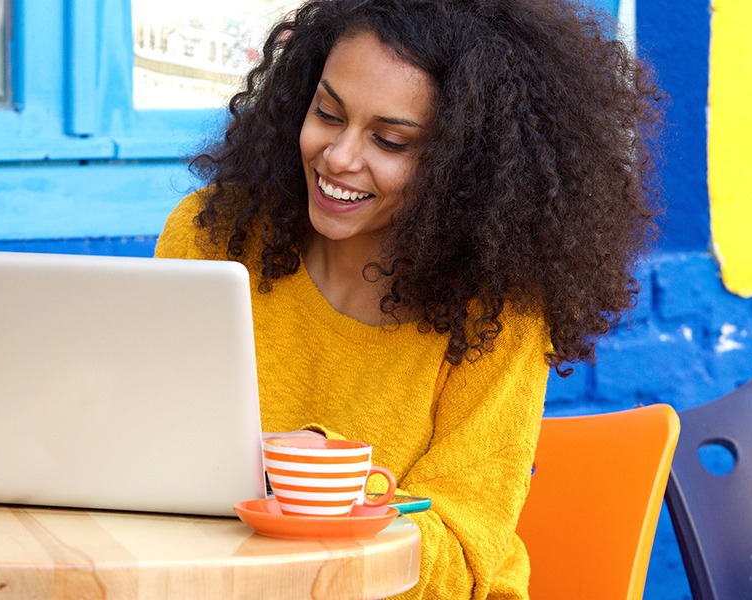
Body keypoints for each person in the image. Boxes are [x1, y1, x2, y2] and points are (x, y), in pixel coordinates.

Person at [154, 0, 662, 597]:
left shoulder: (496, 310)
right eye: (327, 113)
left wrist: (326, 486)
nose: (339, 157)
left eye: (390, 141)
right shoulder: (215, 236)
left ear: (463, 167)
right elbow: (153, 462)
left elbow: (459, 559)